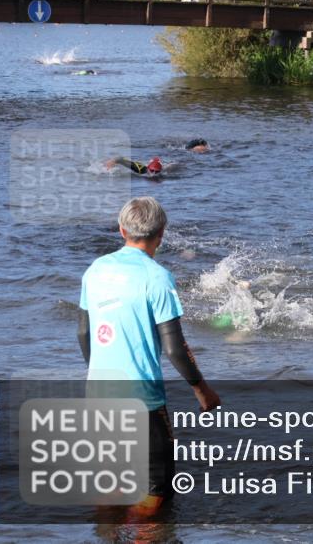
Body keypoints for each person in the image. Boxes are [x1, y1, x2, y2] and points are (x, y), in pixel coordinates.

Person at [78, 197, 221, 515]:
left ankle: (107, 536)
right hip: (141, 399)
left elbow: (84, 334)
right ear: (162, 233)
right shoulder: (157, 277)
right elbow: (174, 347)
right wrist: (202, 390)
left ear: (121, 230)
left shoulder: (95, 270)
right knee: (156, 489)